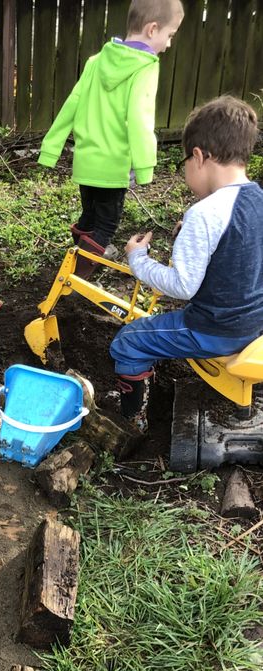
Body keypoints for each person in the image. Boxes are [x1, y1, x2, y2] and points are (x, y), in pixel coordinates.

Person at [110, 96, 263, 431]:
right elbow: (240, 251)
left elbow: (183, 286)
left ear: (198, 156)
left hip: (214, 329)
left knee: (128, 341)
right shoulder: (257, 199)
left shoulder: (205, 213)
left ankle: (131, 420)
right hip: (253, 323)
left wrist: (137, 259)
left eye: (184, 165)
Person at [38, 0, 184, 276]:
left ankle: (80, 254)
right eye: (170, 35)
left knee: (90, 216)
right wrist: (145, 168)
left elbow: (71, 104)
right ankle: (76, 279)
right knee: (106, 225)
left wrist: (51, 147)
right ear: (153, 29)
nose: (168, 44)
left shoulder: (96, 62)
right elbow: (140, 119)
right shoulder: (145, 67)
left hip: (85, 164)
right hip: (112, 168)